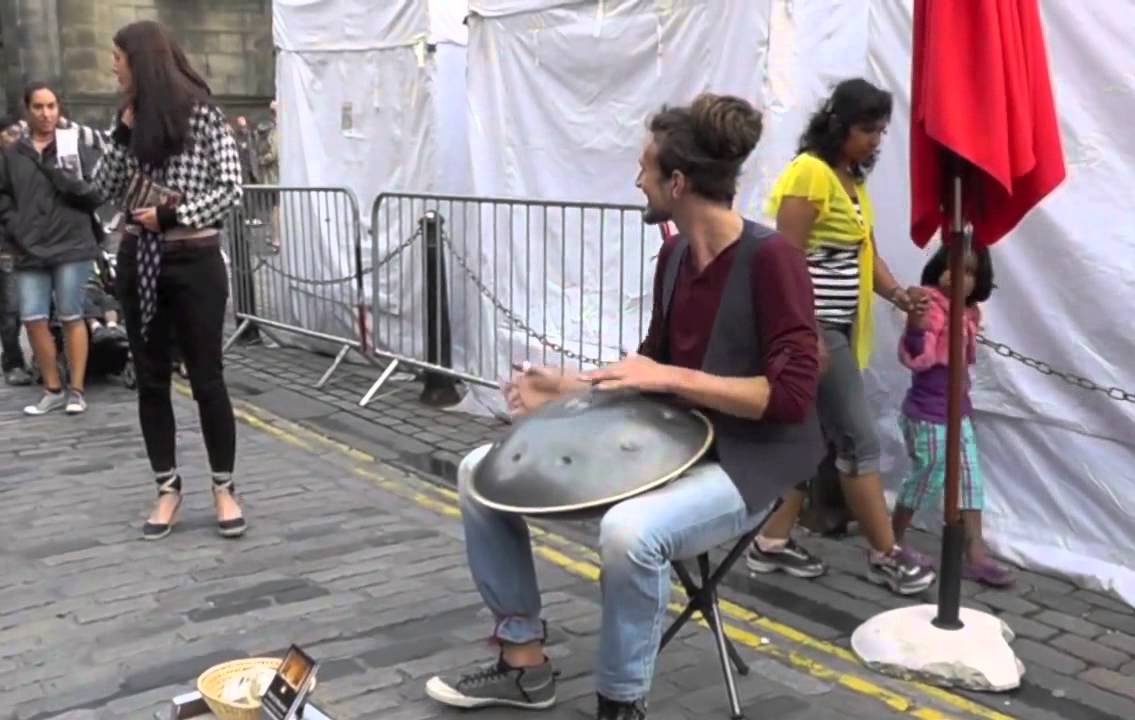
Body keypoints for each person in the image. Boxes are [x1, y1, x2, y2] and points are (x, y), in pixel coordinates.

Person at [425, 94, 825, 720]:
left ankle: (621, 704)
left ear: (677, 181)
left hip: (750, 461)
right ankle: (523, 662)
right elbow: (648, 370)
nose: (636, 180)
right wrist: (570, 389)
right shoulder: (673, 256)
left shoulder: (772, 260)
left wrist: (671, 376)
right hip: (669, 442)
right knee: (482, 472)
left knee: (630, 532)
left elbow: (791, 397)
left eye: (645, 168)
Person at [747, 78, 936, 595]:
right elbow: (784, 262)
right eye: (866, 130)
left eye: (880, 131)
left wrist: (900, 296)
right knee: (858, 440)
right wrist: (801, 335)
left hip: (837, 331)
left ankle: (771, 543)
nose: (875, 141)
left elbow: (865, 253)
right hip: (815, 332)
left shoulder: (850, 179)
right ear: (838, 125)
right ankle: (884, 553)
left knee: (811, 441)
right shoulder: (809, 174)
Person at [92, 20, 246, 540]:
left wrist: (173, 216)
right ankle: (168, 489)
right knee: (151, 379)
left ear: (141, 60)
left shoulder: (202, 113)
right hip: (140, 260)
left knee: (207, 379)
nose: (112, 66)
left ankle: (224, 487)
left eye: (118, 56)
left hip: (194, 262)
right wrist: (121, 134)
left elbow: (231, 187)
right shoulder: (127, 119)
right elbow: (104, 188)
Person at [894, 242, 1014, 587]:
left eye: (969, 271)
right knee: (927, 475)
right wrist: (917, 326)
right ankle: (894, 539)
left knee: (970, 479)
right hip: (928, 412)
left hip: (958, 410)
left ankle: (974, 551)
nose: (956, 276)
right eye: (951, 266)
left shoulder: (968, 311)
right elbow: (918, 354)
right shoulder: (931, 304)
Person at [0, 83, 106, 415]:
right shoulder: (13, 153)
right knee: (33, 318)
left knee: (71, 314)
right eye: (38, 107)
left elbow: (96, 193)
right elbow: (3, 195)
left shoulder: (73, 147)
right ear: (26, 110)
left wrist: (66, 179)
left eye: (51, 106)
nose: (46, 114)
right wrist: (15, 225)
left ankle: (76, 389)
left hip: (72, 242)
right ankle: (52, 388)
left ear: (59, 109)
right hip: (29, 245)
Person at [0, 114, 33, 387]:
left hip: (31, 244)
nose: (17, 138)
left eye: (18, 132)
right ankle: (13, 361)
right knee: (11, 310)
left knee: (29, 308)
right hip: (7, 247)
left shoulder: (25, 162)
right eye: (10, 133)